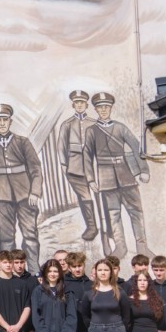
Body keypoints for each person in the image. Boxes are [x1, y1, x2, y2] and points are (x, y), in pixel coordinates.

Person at [82, 92, 151, 259]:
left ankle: (142, 247)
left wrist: (143, 170)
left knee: (136, 212)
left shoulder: (120, 127)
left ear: (111, 108)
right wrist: (91, 179)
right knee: (114, 215)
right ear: (96, 109)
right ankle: (120, 247)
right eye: (100, 107)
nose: (103, 110)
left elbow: (136, 146)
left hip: (126, 175)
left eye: (106, 106)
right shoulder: (91, 131)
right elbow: (86, 156)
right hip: (106, 178)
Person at [0, 104, 43, 266]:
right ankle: (7, 270)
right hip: (2, 196)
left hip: (25, 195)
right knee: (6, 238)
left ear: (10, 121)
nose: (2, 123)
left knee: (30, 235)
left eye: (5, 119)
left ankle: (34, 269)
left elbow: (36, 168)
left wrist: (35, 192)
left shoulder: (23, 142)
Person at [57, 91, 99, 241]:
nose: (79, 105)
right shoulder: (67, 124)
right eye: (77, 103)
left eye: (82, 102)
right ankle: (92, 227)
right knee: (85, 195)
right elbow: (61, 146)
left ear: (86, 105)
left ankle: (106, 226)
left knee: (99, 195)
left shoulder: (94, 123)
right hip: (74, 167)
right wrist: (64, 165)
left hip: (93, 165)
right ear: (73, 105)